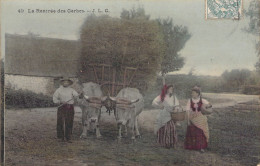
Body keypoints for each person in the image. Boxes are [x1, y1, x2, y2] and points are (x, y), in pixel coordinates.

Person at [184, 86, 212, 152]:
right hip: (193, 117)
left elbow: (210, 105)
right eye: (192, 93)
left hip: (201, 117)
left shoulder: (202, 100)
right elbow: (187, 111)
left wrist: (205, 107)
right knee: (193, 131)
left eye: (193, 93)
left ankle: (201, 147)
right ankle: (192, 146)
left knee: (201, 131)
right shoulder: (190, 100)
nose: (192, 94)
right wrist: (188, 120)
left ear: (197, 93)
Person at [53, 77, 79, 143]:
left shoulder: (72, 90)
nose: (66, 83)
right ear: (62, 83)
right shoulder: (58, 90)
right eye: (64, 82)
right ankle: (60, 137)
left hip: (69, 107)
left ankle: (68, 137)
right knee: (60, 122)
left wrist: (78, 96)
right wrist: (61, 101)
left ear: (69, 83)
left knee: (69, 122)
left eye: (67, 82)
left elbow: (76, 95)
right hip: (61, 107)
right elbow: (54, 99)